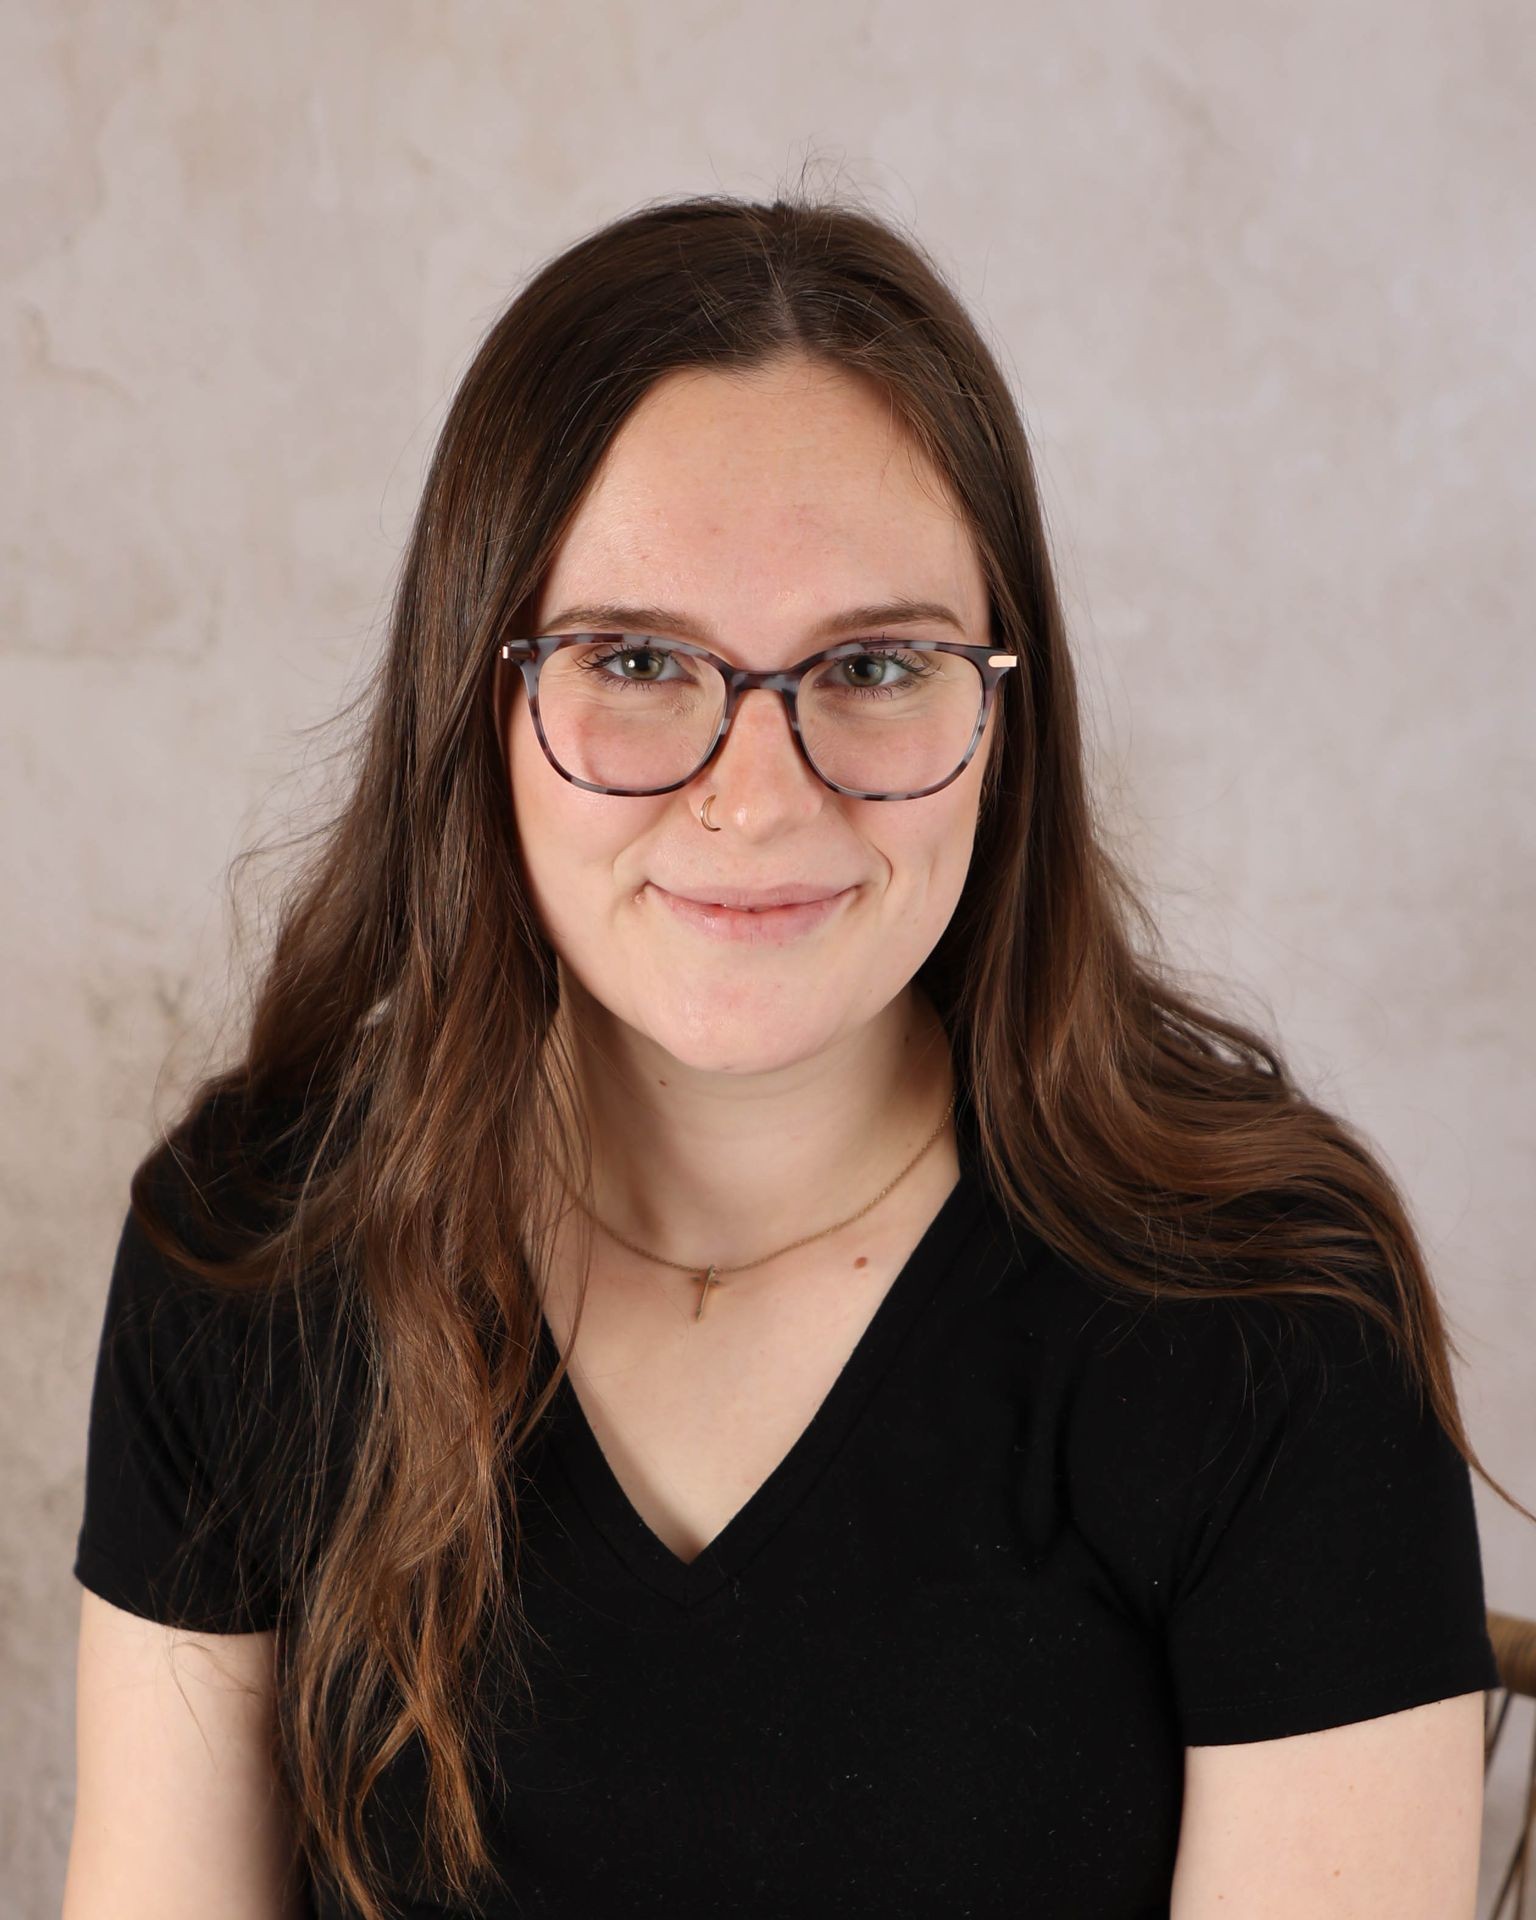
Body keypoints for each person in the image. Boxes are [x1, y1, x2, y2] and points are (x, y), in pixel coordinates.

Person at [63, 192, 1522, 1920]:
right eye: (635, 660)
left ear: (1005, 715)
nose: (757, 797)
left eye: (877, 664)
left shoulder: (1268, 1322)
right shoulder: (252, 1253)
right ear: (476, 698)